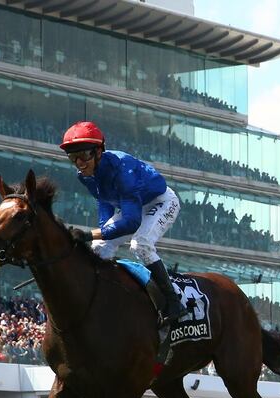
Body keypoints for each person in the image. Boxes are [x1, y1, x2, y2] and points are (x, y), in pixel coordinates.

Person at [59, 121, 187, 328]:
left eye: (84, 155)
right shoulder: (84, 176)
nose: (80, 163)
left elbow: (131, 222)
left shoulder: (121, 170)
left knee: (141, 244)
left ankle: (174, 303)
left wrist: (90, 234)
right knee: (99, 247)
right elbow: (104, 201)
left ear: (99, 151)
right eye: (73, 157)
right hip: (133, 205)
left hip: (161, 202)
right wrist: (99, 234)